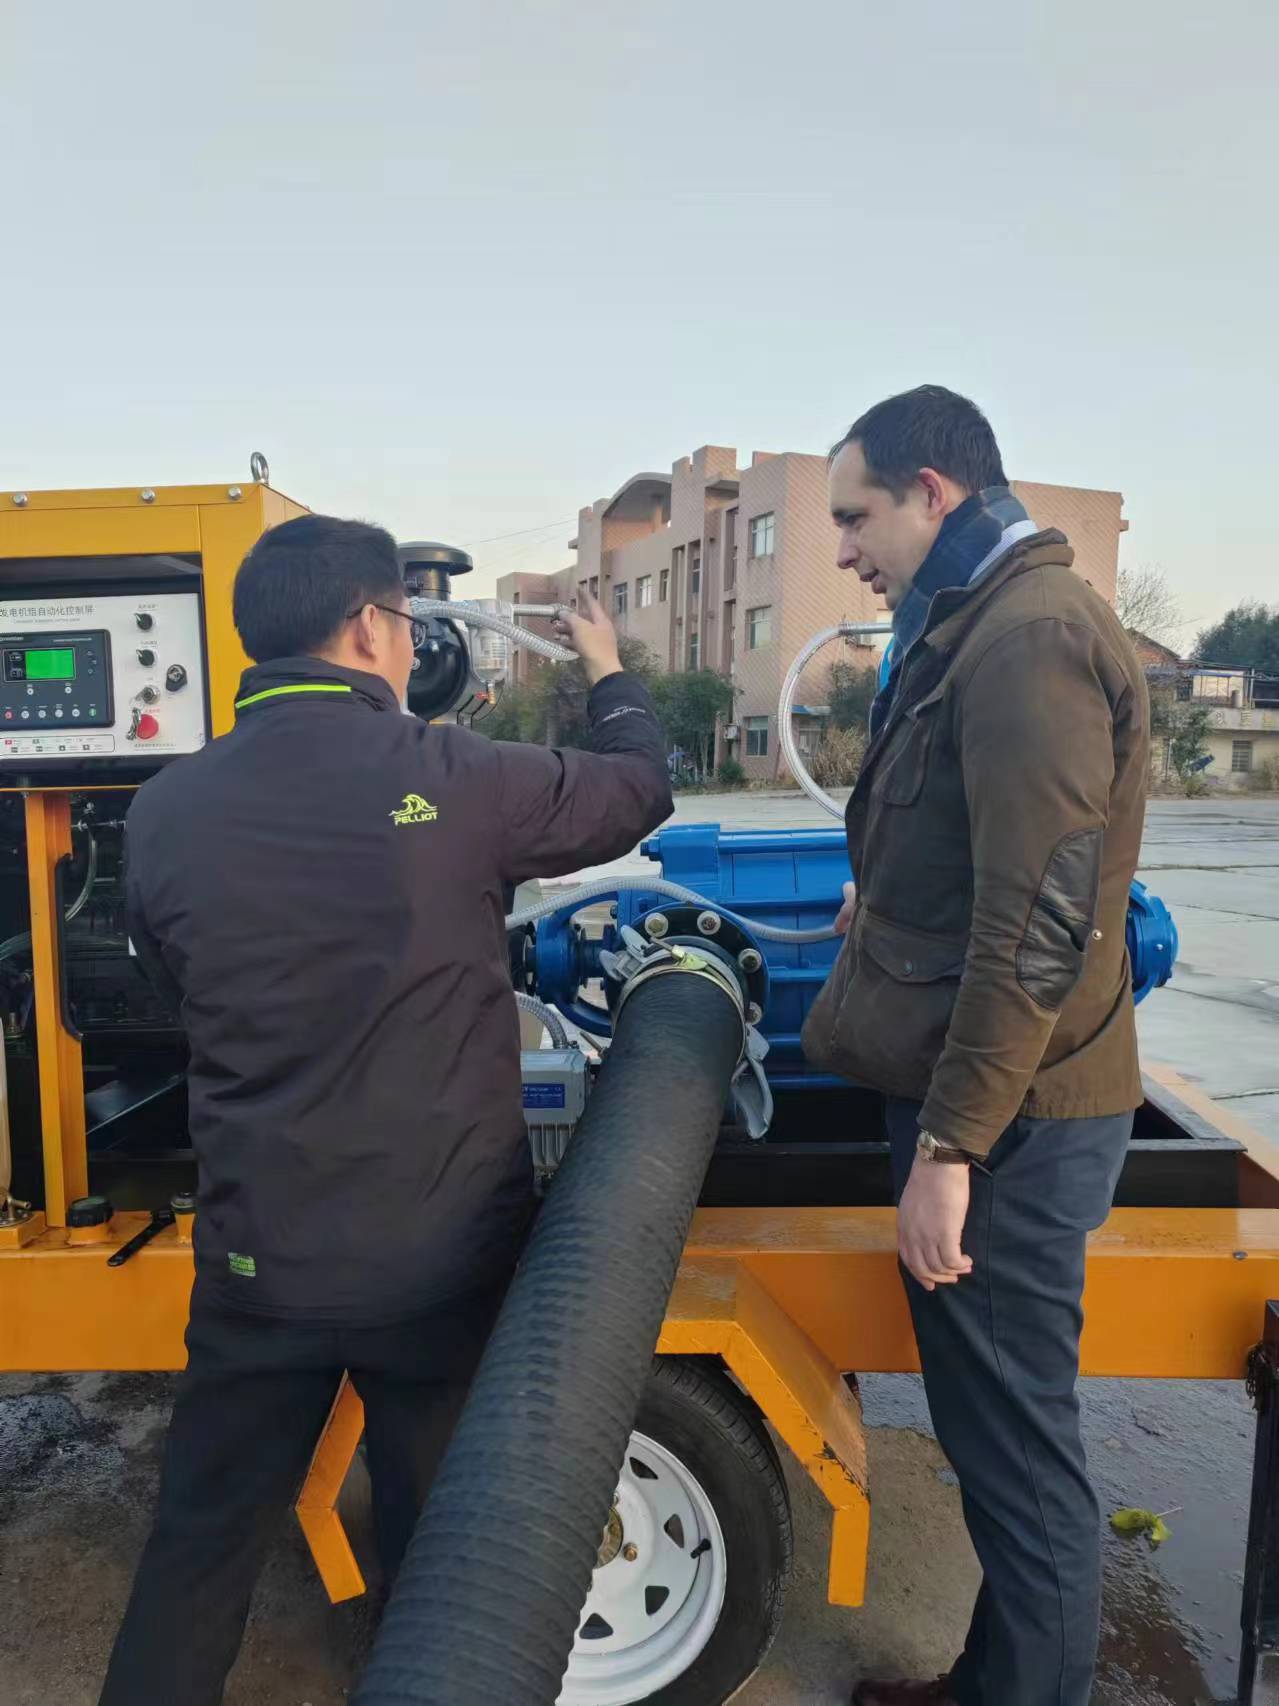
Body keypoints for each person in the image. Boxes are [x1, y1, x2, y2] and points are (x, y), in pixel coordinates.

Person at [99, 513, 672, 1705]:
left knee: (199, 1549)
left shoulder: (160, 811)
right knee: (445, 1565)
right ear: (369, 624)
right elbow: (636, 791)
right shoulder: (453, 778)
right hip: (438, 1261)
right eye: (406, 626)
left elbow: (172, 991)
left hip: (261, 1262)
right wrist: (607, 667)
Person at [806, 386, 1149, 1706]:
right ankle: (989, 1680)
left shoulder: (1026, 640)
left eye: (855, 514)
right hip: (988, 1096)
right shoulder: (976, 624)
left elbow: (1038, 924)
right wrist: (880, 886)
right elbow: (975, 851)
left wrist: (949, 1144)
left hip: (1006, 1119)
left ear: (930, 492)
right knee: (990, 1431)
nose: (843, 546)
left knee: (1013, 1451)